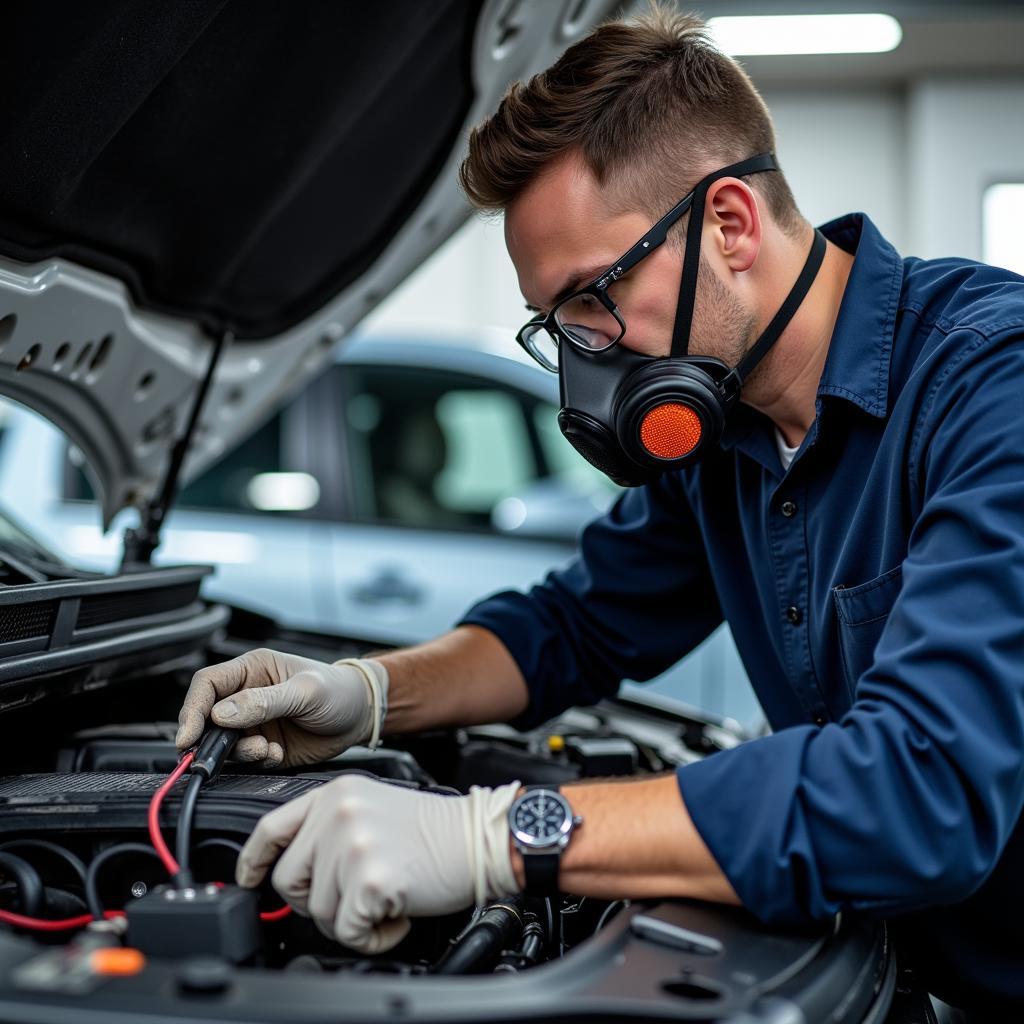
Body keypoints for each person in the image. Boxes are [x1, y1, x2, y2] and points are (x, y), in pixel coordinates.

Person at [175, 6, 1024, 1016]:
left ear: (729, 225)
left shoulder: (990, 387)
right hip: (911, 971)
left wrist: (497, 836)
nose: (588, 357)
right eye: (557, 323)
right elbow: (572, 625)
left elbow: (915, 792)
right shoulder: (723, 427)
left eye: (595, 296)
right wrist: (362, 693)